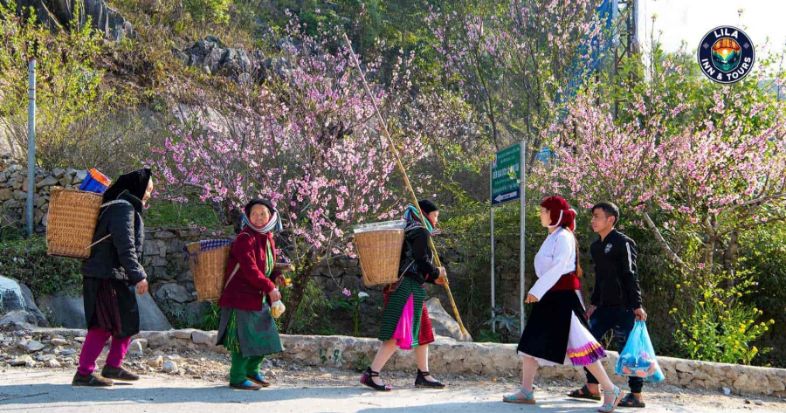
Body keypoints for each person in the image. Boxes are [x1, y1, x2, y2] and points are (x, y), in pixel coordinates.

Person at [504, 196, 622, 413]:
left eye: (544, 210)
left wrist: (536, 290)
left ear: (555, 214)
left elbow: (558, 267)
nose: (540, 214)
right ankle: (526, 390)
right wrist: (540, 291)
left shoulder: (564, 237)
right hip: (550, 296)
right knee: (530, 342)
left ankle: (610, 388)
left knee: (581, 345)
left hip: (563, 298)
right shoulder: (553, 236)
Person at [74, 168, 153, 386]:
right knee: (102, 324)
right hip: (105, 276)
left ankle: (113, 366)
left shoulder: (123, 207)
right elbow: (125, 246)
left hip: (115, 275)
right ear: (136, 188)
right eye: (147, 189)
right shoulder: (122, 209)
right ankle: (84, 372)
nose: (148, 194)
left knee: (126, 322)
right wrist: (139, 275)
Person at [360, 200, 448, 391]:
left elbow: (412, 265)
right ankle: (372, 374)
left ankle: (424, 375)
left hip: (410, 286)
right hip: (407, 288)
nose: (435, 220)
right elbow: (421, 260)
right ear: (424, 214)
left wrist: (433, 278)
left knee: (424, 332)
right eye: (434, 216)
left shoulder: (407, 230)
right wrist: (436, 273)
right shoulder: (421, 231)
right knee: (397, 332)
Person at [569, 202, 647, 408]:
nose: (593, 220)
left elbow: (631, 275)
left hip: (625, 308)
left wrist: (637, 305)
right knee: (587, 343)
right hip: (603, 307)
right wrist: (594, 303)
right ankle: (592, 387)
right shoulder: (596, 246)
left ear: (610, 219)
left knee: (628, 350)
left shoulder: (624, 243)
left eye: (597, 216)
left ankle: (636, 395)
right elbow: (600, 279)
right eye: (592, 217)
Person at [216, 199, 287, 390]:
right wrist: (270, 287)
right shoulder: (244, 238)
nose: (258, 217)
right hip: (241, 297)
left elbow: (266, 267)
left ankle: (251, 370)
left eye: (262, 213)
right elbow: (250, 269)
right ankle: (237, 377)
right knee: (242, 340)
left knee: (267, 337)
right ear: (247, 216)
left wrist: (276, 276)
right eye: (253, 213)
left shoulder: (268, 238)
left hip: (257, 296)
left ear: (271, 216)